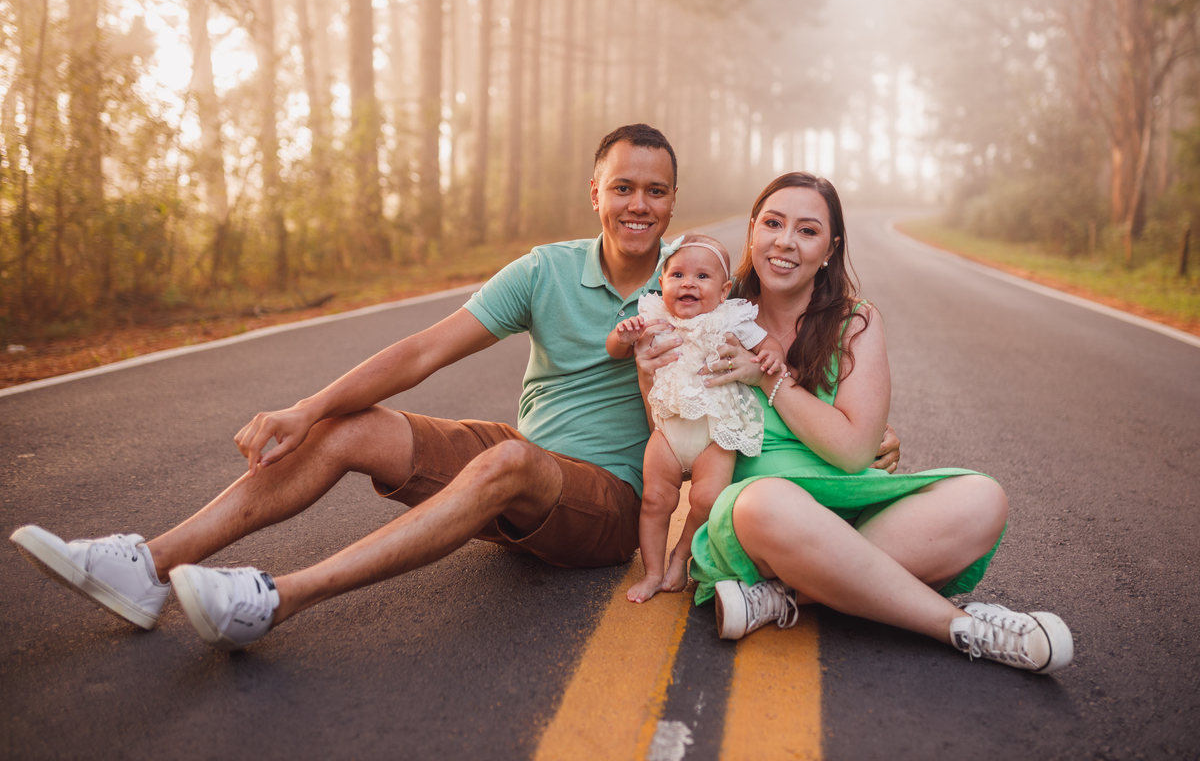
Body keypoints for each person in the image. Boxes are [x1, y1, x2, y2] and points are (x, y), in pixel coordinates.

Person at [8, 125, 899, 653]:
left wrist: (869, 447)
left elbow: (787, 346)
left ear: (675, 205)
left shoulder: (700, 278)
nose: (640, 203)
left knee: (508, 459)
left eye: (657, 192)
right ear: (594, 190)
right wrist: (309, 407)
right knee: (358, 425)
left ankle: (274, 598)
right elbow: (428, 346)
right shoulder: (543, 272)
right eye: (623, 186)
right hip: (515, 460)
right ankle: (145, 563)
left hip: (602, 497)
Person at [652, 172, 1074, 674]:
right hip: (764, 524)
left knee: (984, 498)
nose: (786, 241)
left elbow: (854, 453)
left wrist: (770, 382)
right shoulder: (712, 310)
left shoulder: (856, 322)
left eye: (807, 231)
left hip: (850, 504)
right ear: (752, 232)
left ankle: (784, 597)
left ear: (829, 249)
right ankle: (958, 627)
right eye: (773, 223)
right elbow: (670, 430)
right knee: (767, 501)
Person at [606, 234, 785, 603]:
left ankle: (681, 554)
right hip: (667, 431)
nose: (688, 282)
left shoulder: (730, 320)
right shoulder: (654, 318)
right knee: (655, 500)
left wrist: (771, 357)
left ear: (723, 292)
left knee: (707, 499)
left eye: (702, 277)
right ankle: (653, 572)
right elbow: (615, 349)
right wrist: (621, 337)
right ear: (662, 284)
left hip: (715, 432)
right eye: (678, 275)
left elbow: (768, 343)